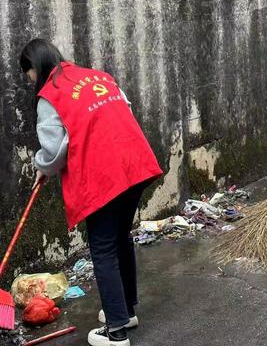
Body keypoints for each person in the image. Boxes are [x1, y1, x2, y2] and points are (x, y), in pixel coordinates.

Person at [20, 39, 163, 346]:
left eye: (28, 73)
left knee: (102, 248)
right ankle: (125, 311)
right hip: (136, 162)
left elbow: (56, 149)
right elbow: (120, 112)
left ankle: (115, 333)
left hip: (104, 174)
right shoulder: (98, 76)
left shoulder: (50, 95)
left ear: (35, 66)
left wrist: (42, 167)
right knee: (120, 236)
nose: (30, 80)